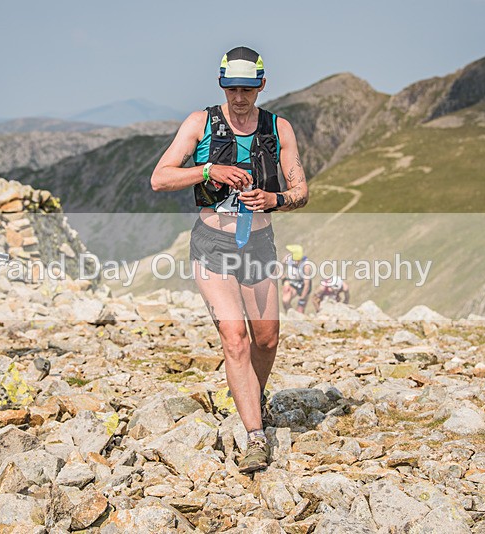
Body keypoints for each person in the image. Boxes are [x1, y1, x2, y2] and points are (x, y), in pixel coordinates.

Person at [151, 46, 308, 473]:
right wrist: (208, 172)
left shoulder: (279, 128)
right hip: (212, 246)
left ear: (261, 85)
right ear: (222, 85)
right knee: (234, 338)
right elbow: (160, 178)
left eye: (247, 88)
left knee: (267, 339)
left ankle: (251, 398)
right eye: (232, 88)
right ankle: (255, 436)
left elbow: (301, 191)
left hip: (258, 245)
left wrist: (273, 198)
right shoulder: (200, 123)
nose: (239, 97)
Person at [281, 244, 313, 313]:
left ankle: (298, 317)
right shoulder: (288, 258)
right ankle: (290, 316)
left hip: (303, 285)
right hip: (293, 282)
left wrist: (301, 299)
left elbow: (306, 285)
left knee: (300, 309)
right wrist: (284, 279)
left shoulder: (306, 266)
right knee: (285, 301)